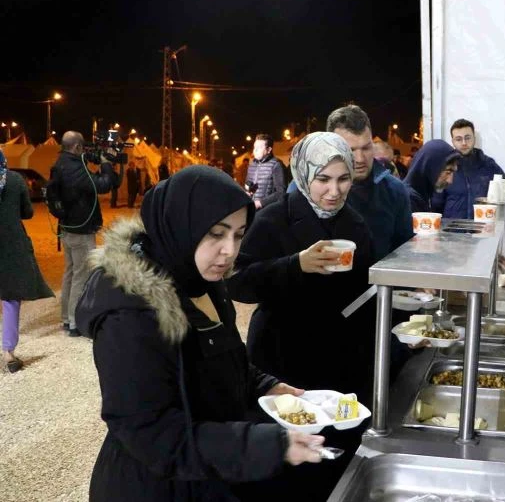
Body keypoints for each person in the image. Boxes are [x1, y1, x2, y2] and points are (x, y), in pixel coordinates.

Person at [74, 165, 324, 501]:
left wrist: (267, 385)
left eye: (238, 234)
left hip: (209, 471)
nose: (229, 251)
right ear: (182, 226)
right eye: (216, 234)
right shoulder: (131, 314)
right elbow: (153, 433)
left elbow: (223, 359)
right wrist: (269, 444)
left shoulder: (201, 278)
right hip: (155, 485)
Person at [228, 132, 374, 500]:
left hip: (340, 359)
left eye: (343, 179)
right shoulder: (275, 217)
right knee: (287, 463)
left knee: (334, 460)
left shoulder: (356, 223)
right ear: (304, 174)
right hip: (282, 356)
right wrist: (296, 265)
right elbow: (238, 282)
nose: (334, 190)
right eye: (323, 179)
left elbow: (366, 289)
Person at [49, 131, 116, 337]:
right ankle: (74, 322)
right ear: (77, 147)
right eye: (83, 148)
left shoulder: (60, 163)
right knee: (81, 274)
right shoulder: (75, 168)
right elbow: (104, 185)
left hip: (68, 228)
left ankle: (66, 317)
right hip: (81, 230)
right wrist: (105, 163)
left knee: (70, 272)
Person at [325, 104, 413, 260]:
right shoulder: (310, 191)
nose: (360, 159)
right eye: (350, 150)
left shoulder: (395, 190)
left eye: (366, 148)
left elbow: (405, 251)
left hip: (381, 283)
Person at [0, 149, 54, 372]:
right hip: (11, 244)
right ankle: (8, 352)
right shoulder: (14, 180)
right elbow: (28, 212)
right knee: (10, 298)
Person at [432, 118, 505, 219]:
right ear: (453, 142)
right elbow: (436, 203)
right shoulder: (445, 167)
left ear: (474, 138)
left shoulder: (488, 165)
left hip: (483, 230)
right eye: (458, 139)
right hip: (451, 230)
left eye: (467, 138)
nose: (464, 143)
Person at [403, 139, 460, 212]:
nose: (450, 180)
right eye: (448, 172)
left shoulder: (421, 195)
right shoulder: (408, 200)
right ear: (430, 166)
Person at [246, 133, 286, 208]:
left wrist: (260, 203)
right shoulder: (252, 165)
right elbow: (248, 186)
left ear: (268, 150)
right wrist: (247, 192)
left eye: (259, 147)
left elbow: (281, 193)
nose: (255, 150)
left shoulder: (276, 165)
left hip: (267, 211)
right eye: (254, 147)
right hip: (251, 208)